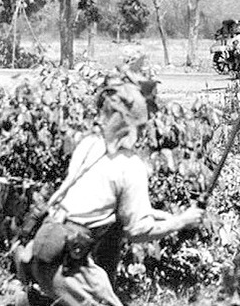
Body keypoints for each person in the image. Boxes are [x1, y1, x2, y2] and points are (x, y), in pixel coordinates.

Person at [14, 73, 205, 306]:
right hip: (67, 265)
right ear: (138, 126)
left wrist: (164, 216)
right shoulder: (130, 165)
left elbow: (99, 202)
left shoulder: (88, 145)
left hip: (40, 251)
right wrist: (182, 221)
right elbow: (138, 231)